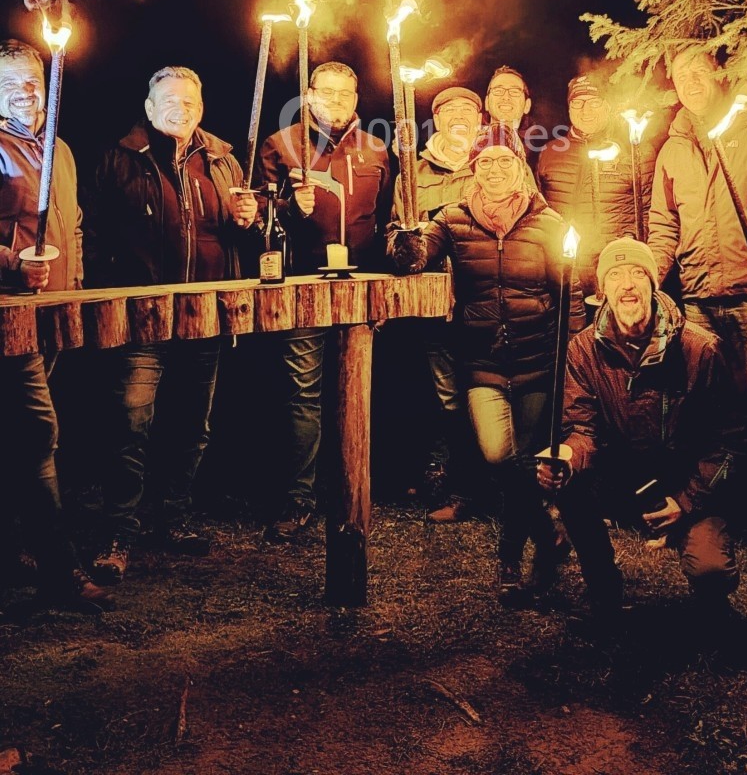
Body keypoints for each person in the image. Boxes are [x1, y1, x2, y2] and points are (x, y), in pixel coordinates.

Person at [86, 65, 256, 582]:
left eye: (189, 102)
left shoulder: (223, 160)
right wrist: (108, 298)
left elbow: (241, 238)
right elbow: (93, 234)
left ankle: (173, 518)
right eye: (170, 101)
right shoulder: (119, 158)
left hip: (203, 316)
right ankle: (119, 530)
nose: (180, 109)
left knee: (191, 426)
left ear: (201, 109)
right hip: (143, 319)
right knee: (131, 425)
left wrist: (248, 220)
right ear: (149, 107)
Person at [390, 122, 568, 606]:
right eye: (484, 162)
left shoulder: (547, 222)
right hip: (483, 358)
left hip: (537, 358)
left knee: (527, 461)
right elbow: (415, 258)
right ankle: (548, 533)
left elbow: (568, 290)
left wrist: (571, 352)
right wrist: (405, 241)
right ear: (474, 168)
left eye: (503, 161)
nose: (493, 170)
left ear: (519, 166)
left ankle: (510, 558)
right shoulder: (453, 218)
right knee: (497, 455)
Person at [648, 46, 747, 563]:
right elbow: (664, 227)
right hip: (698, 301)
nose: (691, 80)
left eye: (699, 69)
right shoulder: (672, 149)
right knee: (710, 415)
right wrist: (646, 276)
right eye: (681, 74)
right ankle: (717, 513)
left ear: (720, 73)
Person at [539, 239, 741, 631]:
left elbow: (731, 442)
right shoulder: (583, 350)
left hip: (684, 482)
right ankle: (603, 589)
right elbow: (582, 430)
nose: (627, 284)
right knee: (570, 482)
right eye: (615, 275)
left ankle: (713, 606)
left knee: (711, 568)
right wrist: (565, 457)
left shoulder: (699, 349)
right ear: (603, 291)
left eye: (637, 273)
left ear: (653, 285)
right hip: (623, 480)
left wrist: (685, 502)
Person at [258, 61, 391, 539]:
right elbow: (257, 214)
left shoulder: (376, 148)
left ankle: (355, 488)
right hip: (304, 286)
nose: (336, 101)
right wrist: (289, 207)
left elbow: (387, 215)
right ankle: (299, 499)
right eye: (327, 92)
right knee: (303, 394)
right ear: (309, 94)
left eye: (345, 94)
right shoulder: (282, 144)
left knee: (358, 390)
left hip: (360, 287)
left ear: (356, 99)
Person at [0, 38, 110, 612]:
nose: (24, 92)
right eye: (9, 84)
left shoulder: (59, 148)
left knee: (16, 437)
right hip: (10, 316)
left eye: (31, 80)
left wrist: (77, 290)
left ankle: (10, 550)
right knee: (39, 433)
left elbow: (76, 223)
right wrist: (12, 262)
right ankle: (60, 572)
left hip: (53, 314)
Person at [389, 85, 484, 522]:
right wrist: (407, 243)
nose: (459, 117)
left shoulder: (496, 164)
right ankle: (460, 489)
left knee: (488, 393)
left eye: (468, 110)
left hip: (484, 301)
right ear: (437, 121)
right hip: (433, 305)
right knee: (448, 398)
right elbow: (394, 233)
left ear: (480, 121)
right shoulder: (413, 174)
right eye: (449, 111)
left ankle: (503, 487)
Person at [537, 75, 657, 316]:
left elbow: (650, 212)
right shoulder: (551, 152)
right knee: (573, 333)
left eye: (594, 102)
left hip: (616, 269)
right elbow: (541, 212)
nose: (586, 110)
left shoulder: (633, 151)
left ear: (607, 106)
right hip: (566, 270)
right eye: (577, 103)